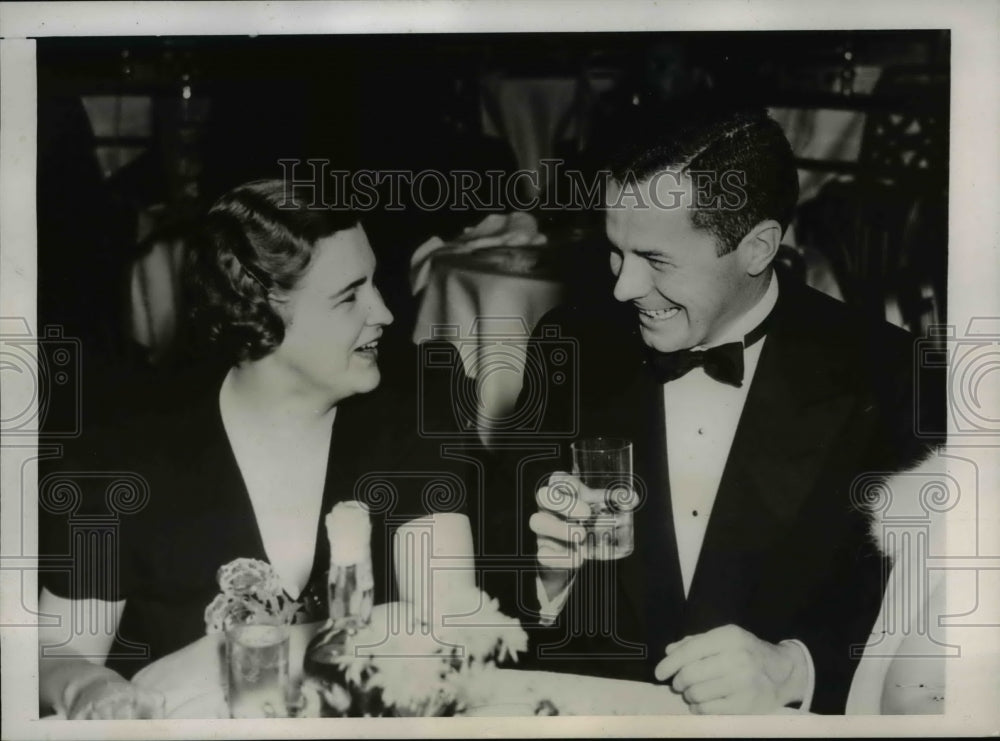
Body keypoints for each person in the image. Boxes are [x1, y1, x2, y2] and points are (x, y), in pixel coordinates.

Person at [489, 106, 942, 714]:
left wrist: (796, 669)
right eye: (616, 252)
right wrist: (546, 578)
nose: (623, 287)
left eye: (656, 259)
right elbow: (499, 573)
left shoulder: (891, 372)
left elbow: (917, 611)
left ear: (757, 248)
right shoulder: (569, 342)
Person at [38, 179, 473, 718]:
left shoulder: (414, 418)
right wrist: (89, 689)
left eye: (375, 284)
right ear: (257, 312)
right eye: (349, 296)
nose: (383, 312)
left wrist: (231, 653)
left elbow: (444, 630)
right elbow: (58, 651)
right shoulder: (122, 457)